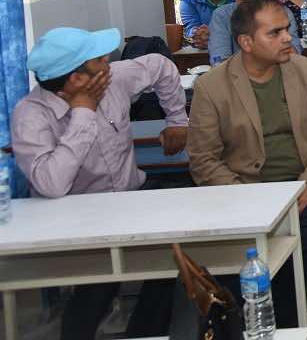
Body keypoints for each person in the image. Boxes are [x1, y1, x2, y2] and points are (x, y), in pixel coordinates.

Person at [188, 0, 307, 327]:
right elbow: (203, 158)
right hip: (242, 191)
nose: (287, 38)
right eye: (275, 33)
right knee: (224, 251)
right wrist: (245, 197)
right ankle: (275, 315)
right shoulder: (212, 87)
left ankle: (260, 307)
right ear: (246, 43)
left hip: (304, 187)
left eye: (287, 29)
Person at [12, 27, 186, 340]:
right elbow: (51, 184)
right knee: (98, 281)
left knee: (174, 255)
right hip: (75, 218)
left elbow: (161, 67)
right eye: (99, 62)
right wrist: (82, 113)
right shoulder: (30, 115)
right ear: (77, 80)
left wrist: (176, 120)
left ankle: (144, 333)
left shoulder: (115, 78)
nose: (109, 64)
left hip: (131, 197)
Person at [209, 0, 302, 64]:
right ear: (240, 1)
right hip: (237, 76)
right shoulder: (222, 16)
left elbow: (295, 58)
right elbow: (219, 61)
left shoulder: (283, 12)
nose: (268, 3)